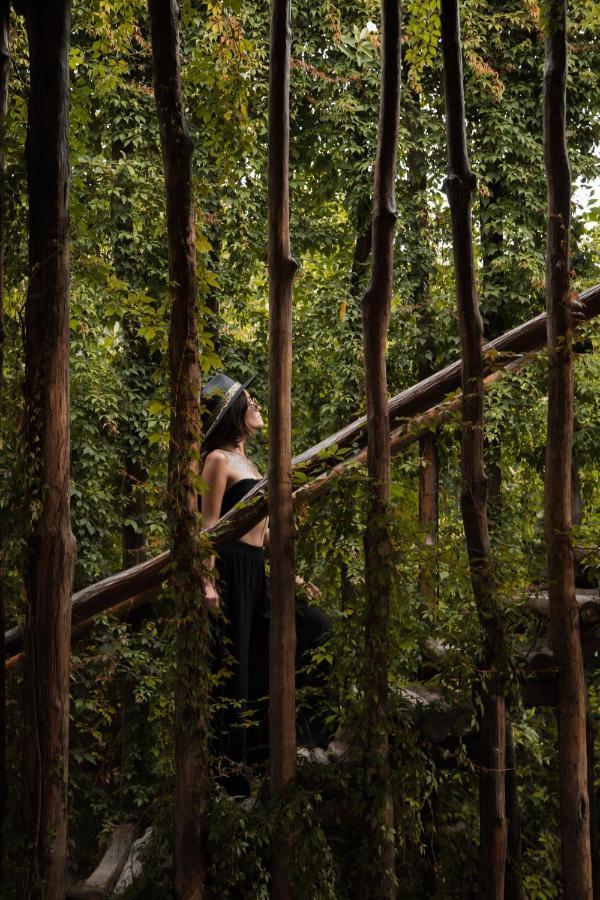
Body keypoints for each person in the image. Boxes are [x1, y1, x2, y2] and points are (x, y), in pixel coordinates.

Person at [200, 373, 332, 793]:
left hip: (257, 568)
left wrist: (296, 579)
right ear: (233, 412)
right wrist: (207, 583)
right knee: (236, 664)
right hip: (230, 568)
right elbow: (206, 527)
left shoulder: (253, 465)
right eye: (249, 400)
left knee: (314, 626)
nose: (256, 405)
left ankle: (300, 742)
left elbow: (270, 535)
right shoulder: (217, 459)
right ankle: (230, 779)